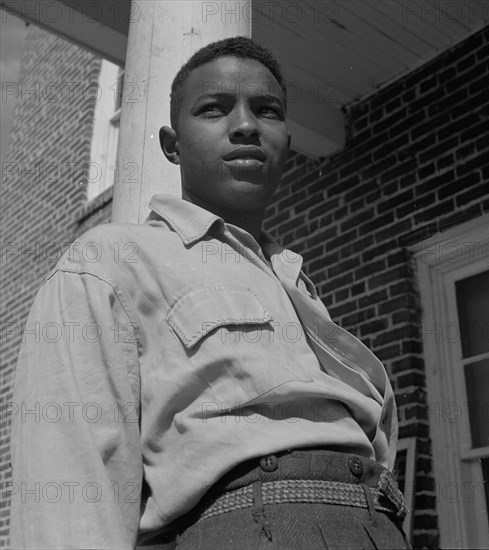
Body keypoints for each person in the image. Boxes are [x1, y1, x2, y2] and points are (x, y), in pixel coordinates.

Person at [10, 37, 410, 549]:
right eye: (213, 109)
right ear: (172, 145)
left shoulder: (296, 285)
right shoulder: (112, 259)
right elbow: (71, 476)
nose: (246, 125)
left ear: (286, 144)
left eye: (266, 110)